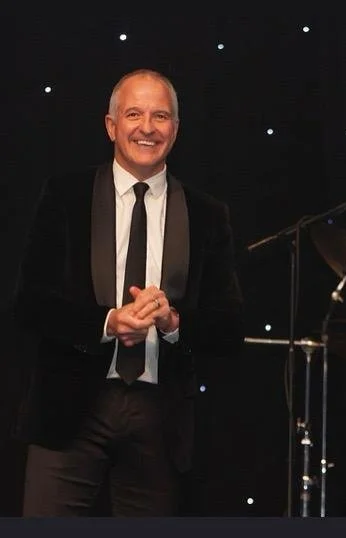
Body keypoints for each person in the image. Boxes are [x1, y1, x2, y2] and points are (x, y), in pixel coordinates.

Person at [12, 68, 245, 516]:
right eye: (134, 114)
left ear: (175, 129)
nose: (147, 128)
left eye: (160, 116)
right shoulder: (65, 196)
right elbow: (30, 304)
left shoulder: (207, 214)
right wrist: (107, 322)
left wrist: (173, 322)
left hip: (161, 418)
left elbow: (228, 327)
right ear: (111, 125)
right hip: (70, 409)